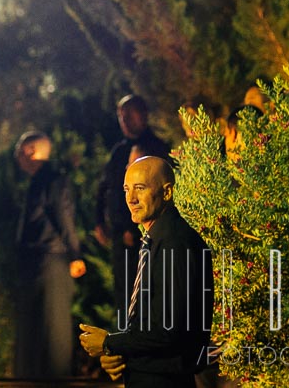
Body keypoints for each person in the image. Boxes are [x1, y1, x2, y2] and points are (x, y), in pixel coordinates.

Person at [79, 156, 213, 387]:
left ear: (167, 192)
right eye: (126, 189)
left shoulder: (175, 242)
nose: (130, 198)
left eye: (140, 189)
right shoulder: (157, 239)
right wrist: (121, 356)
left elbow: (167, 329)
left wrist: (110, 343)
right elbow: (151, 325)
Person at [13, 131, 86, 378]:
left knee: (53, 327)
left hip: (51, 259)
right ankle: (33, 377)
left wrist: (75, 255)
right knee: (35, 324)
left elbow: (63, 217)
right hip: (37, 260)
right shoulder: (40, 180)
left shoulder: (54, 180)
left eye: (19, 151)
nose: (17, 158)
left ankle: (55, 379)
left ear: (30, 152)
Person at [95, 95, 170, 306]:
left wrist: (133, 227)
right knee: (123, 295)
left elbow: (154, 194)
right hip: (118, 234)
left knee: (144, 295)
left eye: (129, 115)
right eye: (121, 116)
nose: (124, 121)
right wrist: (98, 220)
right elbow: (104, 186)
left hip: (143, 236)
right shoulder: (119, 151)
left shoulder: (157, 148)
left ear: (143, 115)